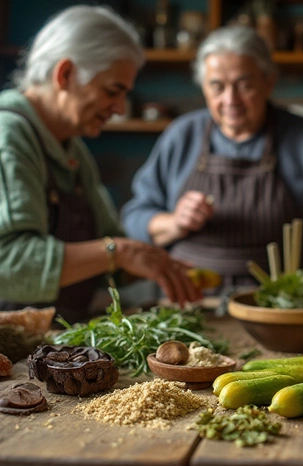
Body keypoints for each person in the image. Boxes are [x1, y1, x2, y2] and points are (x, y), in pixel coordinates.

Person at [121, 26, 303, 296]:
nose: (230, 100)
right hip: (191, 301)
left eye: (244, 85)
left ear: (269, 82)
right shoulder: (181, 136)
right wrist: (173, 222)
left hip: (290, 305)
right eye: (217, 86)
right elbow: (134, 216)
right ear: (204, 87)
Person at [0, 5, 201, 323]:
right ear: (65, 74)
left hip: (59, 341)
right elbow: (7, 263)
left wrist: (155, 262)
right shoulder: (8, 136)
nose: (120, 109)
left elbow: (108, 254)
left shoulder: (74, 150)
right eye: (112, 91)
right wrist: (120, 252)